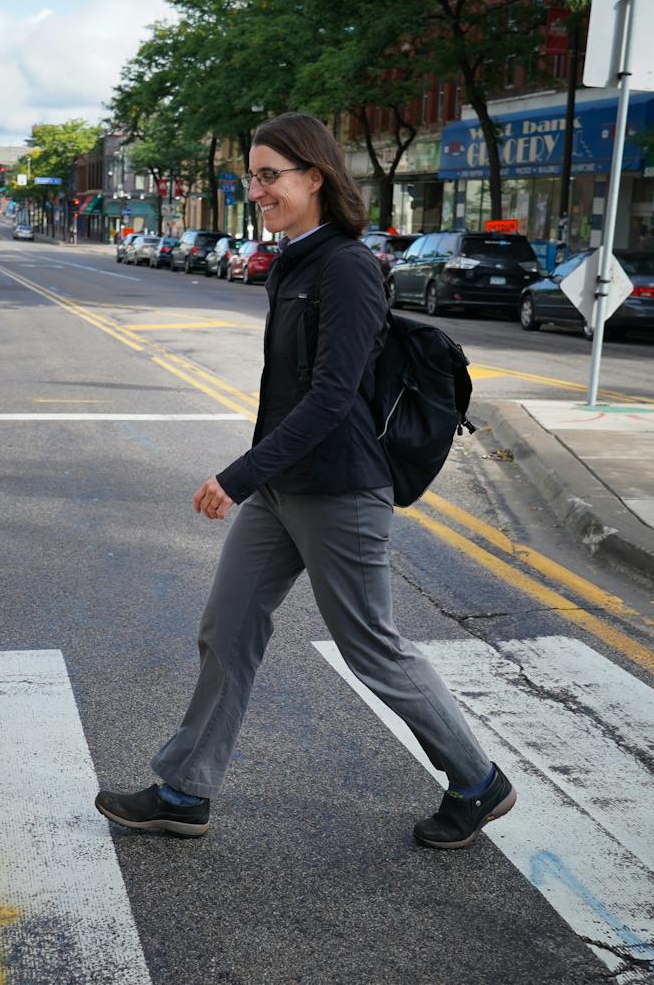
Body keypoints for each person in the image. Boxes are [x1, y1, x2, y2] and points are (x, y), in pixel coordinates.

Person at [95, 113, 516, 850]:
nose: (256, 190)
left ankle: (477, 781)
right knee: (227, 628)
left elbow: (330, 395)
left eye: (269, 176)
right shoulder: (292, 259)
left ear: (314, 178)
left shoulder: (347, 266)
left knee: (371, 647)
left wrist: (237, 473)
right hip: (285, 487)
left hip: (342, 490)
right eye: (251, 176)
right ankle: (184, 790)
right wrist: (261, 474)